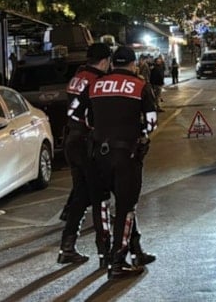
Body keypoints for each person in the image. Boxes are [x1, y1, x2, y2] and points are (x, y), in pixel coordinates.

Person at [88, 46, 158, 279]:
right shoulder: (139, 85)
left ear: (112, 63)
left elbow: (89, 118)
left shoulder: (96, 85)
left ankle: (124, 251)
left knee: (105, 203)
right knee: (126, 207)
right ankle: (118, 261)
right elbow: (151, 122)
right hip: (126, 154)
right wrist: (141, 133)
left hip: (99, 154)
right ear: (133, 64)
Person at [57, 43, 112, 266]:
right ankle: (105, 252)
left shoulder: (77, 77)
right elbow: (97, 115)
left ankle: (67, 247)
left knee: (81, 195)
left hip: (72, 139)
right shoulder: (97, 81)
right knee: (99, 196)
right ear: (105, 61)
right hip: (87, 142)